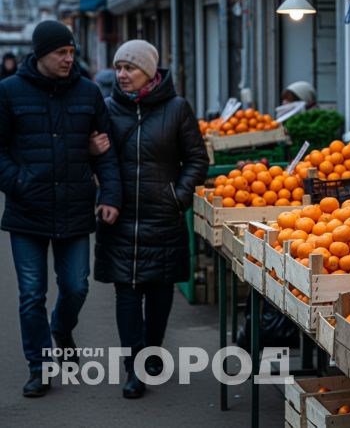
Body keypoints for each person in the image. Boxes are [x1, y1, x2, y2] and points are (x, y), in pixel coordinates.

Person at [0, 20, 121, 397]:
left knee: (76, 286)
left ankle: (62, 327)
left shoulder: (87, 93)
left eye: (71, 52)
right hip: (27, 211)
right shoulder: (8, 92)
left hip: (73, 207)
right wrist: (18, 182)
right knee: (31, 293)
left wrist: (110, 196)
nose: (69, 58)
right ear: (41, 55)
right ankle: (39, 366)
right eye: (61, 53)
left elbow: (106, 150)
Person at [90, 40, 208, 398]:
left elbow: (197, 159)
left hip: (163, 216)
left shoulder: (177, 109)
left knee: (159, 291)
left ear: (150, 72)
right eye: (119, 67)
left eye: (130, 68)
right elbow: (97, 160)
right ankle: (134, 366)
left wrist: (178, 197)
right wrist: (90, 151)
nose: (122, 75)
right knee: (126, 292)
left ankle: (152, 350)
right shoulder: (107, 109)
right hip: (120, 218)